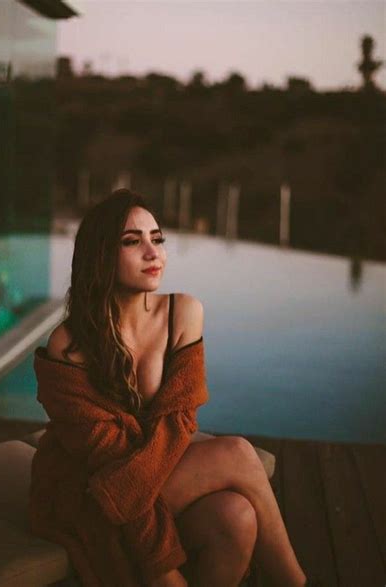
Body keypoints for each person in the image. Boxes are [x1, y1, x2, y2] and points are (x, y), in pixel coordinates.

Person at [30, 188, 310, 587]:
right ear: (101, 255)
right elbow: (103, 458)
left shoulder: (183, 313)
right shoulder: (70, 343)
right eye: (132, 241)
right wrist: (160, 565)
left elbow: (178, 421)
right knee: (238, 454)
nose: (152, 251)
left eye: (156, 238)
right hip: (88, 490)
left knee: (237, 517)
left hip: (144, 475)